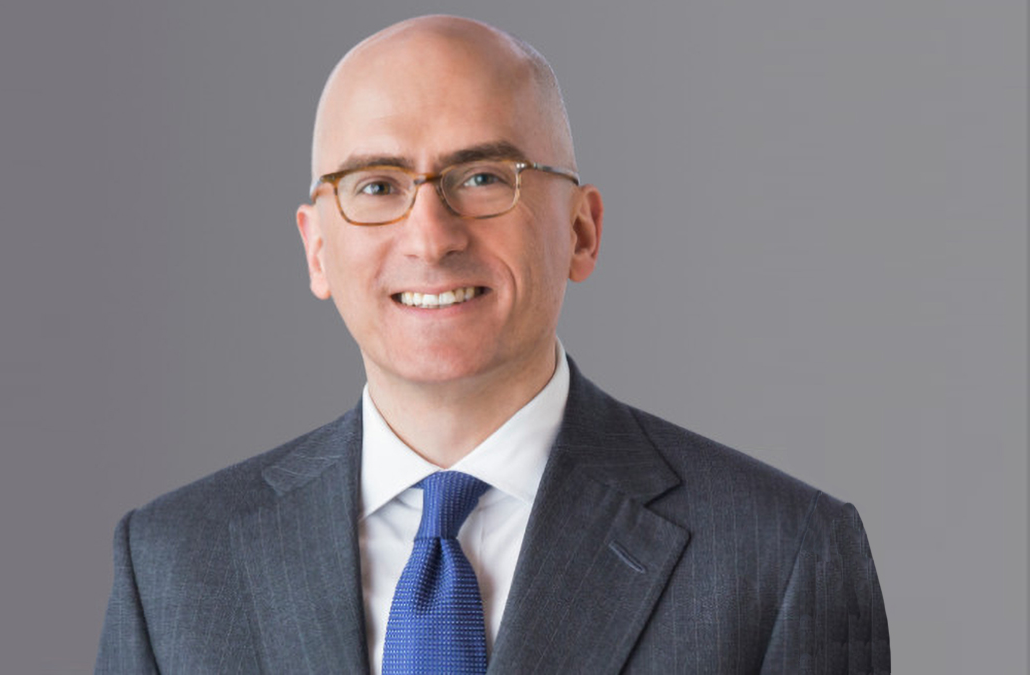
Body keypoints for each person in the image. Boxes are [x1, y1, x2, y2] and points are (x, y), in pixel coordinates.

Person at [96, 15, 889, 674]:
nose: (431, 237)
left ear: (582, 230)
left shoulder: (782, 557)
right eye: (377, 186)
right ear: (316, 250)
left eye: (481, 177)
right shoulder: (173, 566)